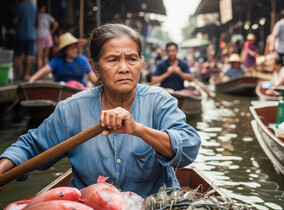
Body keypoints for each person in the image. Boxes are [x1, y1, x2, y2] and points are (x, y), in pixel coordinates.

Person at [0, 23, 201, 197]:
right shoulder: (72, 110)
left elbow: (189, 147)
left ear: (141, 63)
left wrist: (138, 130)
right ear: (95, 68)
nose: (124, 68)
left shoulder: (160, 102)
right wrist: (3, 168)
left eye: (132, 59)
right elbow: (31, 147)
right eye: (113, 60)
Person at [28, 32, 97, 88]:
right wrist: (31, 80)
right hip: (61, 90)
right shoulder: (57, 61)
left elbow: (92, 77)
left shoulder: (82, 60)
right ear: (64, 50)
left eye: (75, 47)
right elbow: (43, 71)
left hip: (79, 90)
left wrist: (100, 83)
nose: (74, 50)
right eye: (71, 48)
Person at [13, 0, 39, 81]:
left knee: (17, 54)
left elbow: (15, 21)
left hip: (20, 34)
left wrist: (15, 27)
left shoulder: (20, 6)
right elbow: (37, 21)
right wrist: (33, 29)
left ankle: (13, 74)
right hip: (31, 34)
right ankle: (26, 75)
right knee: (29, 55)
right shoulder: (33, 6)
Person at [36, 2, 58, 69]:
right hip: (47, 36)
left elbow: (36, 26)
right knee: (46, 56)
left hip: (40, 36)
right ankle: (46, 74)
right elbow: (56, 24)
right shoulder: (47, 16)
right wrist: (51, 32)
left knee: (40, 57)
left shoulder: (37, 16)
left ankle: (40, 72)